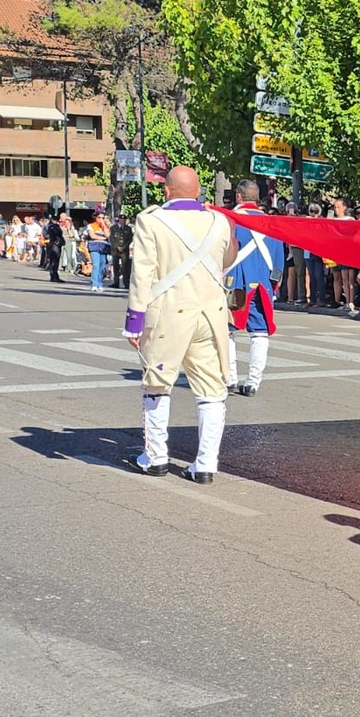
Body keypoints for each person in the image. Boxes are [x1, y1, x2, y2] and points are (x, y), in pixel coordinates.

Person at [123, 166, 237, 485]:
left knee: (157, 384)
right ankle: (205, 464)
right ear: (198, 190)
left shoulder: (151, 220)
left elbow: (142, 274)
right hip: (210, 316)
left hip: (168, 316)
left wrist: (134, 321)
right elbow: (227, 261)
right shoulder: (219, 220)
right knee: (212, 391)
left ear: (167, 190)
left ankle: (156, 457)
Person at [224, 180, 285, 397]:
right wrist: (273, 287)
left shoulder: (229, 220)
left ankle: (230, 378)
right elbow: (279, 260)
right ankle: (253, 382)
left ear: (239, 197)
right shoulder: (271, 222)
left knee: (227, 330)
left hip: (235, 282)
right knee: (259, 333)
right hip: (263, 285)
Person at [86, 211, 112, 291]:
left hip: (103, 247)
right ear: (95, 218)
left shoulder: (106, 227)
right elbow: (92, 236)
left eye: (103, 218)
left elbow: (108, 235)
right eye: (99, 217)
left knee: (102, 265)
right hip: (94, 246)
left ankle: (99, 283)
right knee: (96, 265)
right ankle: (94, 284)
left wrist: (104, 225)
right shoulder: (91, 226)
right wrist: (102, 238)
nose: (101, 219)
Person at [110, 214, 134, 289]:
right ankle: (116, 282)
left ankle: (126, 283)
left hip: (124, 250)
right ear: (119, 220)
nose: (123, 221)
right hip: (115, 250)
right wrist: (117, 247)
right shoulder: (113, 228)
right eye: (121, 220)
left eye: (124, 220)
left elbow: (130, 239)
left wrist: (124, 247)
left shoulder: (128, 229)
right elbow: (112, 238)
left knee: (125, 267)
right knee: (116, 267)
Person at [43, 210, 66, 282]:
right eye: (54, 219)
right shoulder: (50, 226)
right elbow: (48, 235)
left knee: (56, 261)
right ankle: (53, 276)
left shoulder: (55, 226)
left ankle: (55, 275)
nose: (56, 220)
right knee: (53, 261)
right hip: (53, 244)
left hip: (56, 244)